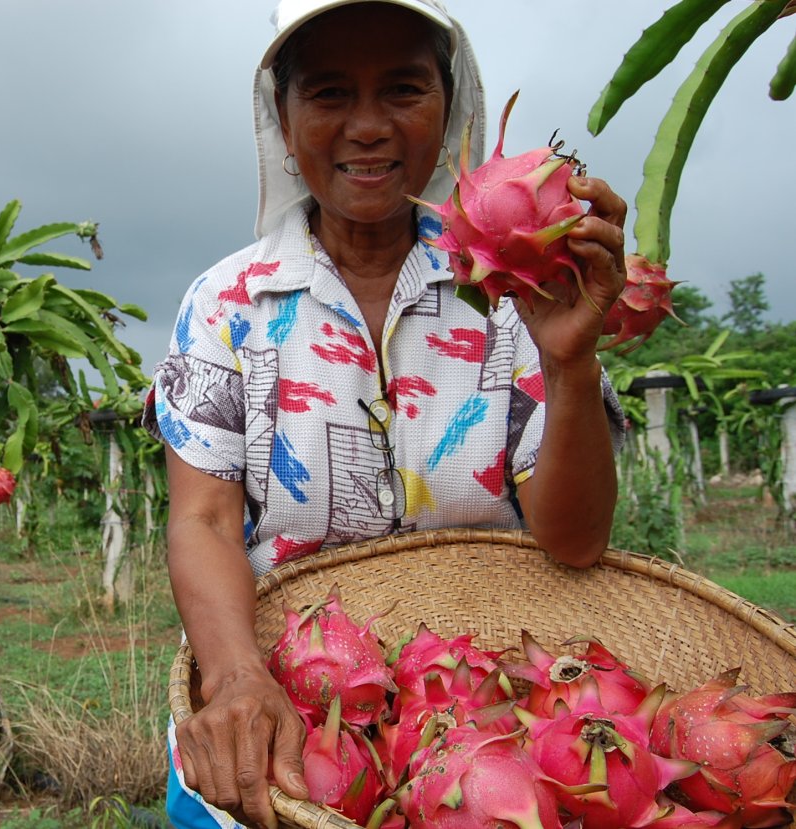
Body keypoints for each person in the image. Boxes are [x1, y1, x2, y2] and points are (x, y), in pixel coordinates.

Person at [142, 1, 627, 826]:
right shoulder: (226, 302)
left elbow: (574, 541)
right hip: (288, 705)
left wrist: (570, 362)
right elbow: (206, 523)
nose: (367, 127)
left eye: (403, 89)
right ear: (284, 122)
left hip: (496, 719)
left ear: (451, 108)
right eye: (329, 94)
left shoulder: (515, 289)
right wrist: (237, 680)